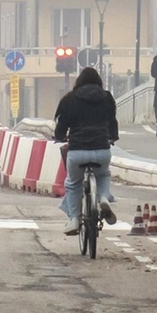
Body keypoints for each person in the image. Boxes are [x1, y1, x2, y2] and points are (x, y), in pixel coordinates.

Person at [54, 67, 119, 236]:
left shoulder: (70, 99)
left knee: (73, 183)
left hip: (77, 151)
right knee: (103, 174)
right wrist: (112, 137)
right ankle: (103, 198)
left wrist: (60, 137)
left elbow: (61, 125)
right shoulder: (107, 98)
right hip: (101, 149)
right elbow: (112, 122)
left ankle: (74, 219)